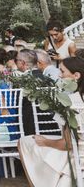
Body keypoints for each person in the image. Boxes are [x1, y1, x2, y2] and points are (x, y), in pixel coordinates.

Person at [18, 57, 84, 186]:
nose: (59, 75)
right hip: (77, 149)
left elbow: (68, 144)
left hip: (78, 155)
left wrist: (45, 142)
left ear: (76, 75)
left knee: (25, 142)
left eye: (63, 71)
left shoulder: (71, 102)